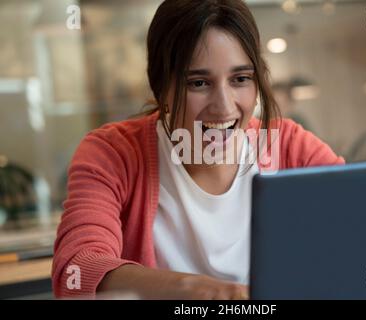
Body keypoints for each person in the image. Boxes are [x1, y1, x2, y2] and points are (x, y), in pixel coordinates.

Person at [52, 0, 344, 300]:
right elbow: (76, 270)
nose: (224, 107)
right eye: (199, 82)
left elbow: (365, 225)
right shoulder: (114, 154)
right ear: (161, 87)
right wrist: (197, 290)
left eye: (240, 79)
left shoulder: (290, 147)